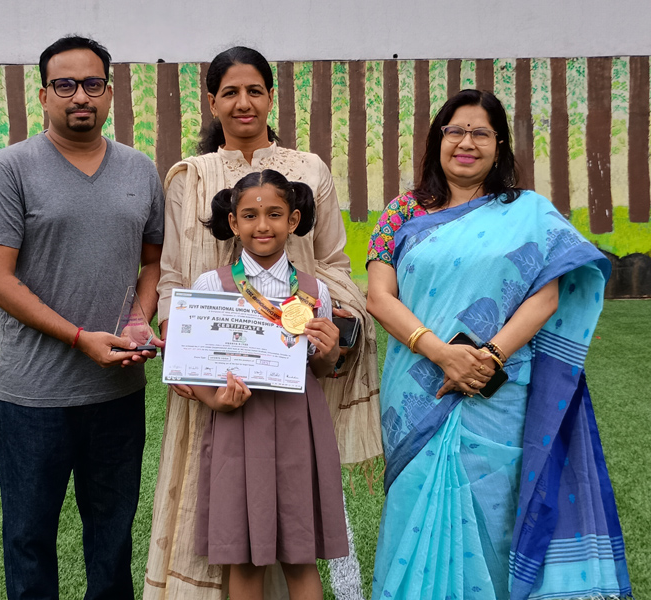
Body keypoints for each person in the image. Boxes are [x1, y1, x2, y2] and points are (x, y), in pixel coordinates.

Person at [366, 89, 632, 600]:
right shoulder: (402, 212)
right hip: (420, 389)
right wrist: (441, 352)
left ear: (500, 144)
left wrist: (489, 357)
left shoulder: (528, 211)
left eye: (480, 133)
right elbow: (379, 296)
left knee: (493, 517)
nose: (466, 143)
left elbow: (547, 294)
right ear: (438, 139)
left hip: (496, 391)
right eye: (455, 131)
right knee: (411, 507)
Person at [145, 46, 379, 599]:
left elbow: (335, 266)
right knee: (234, 536)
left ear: (271, 96)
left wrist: (332, 336)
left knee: (298, 545)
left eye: (254, 90)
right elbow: (173, 275)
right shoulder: (189, 177)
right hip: (220, 392)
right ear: (212, 102)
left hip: (296, 394)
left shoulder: (309, 169)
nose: (243, 102)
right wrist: (187, 356)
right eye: (230, 92)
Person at [0, 35, 164, 599]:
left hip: (117, 394)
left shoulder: (139, 169)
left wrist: (139, 319)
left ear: (109, 92)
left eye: (93, 84)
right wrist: (79, 338)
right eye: (66, 84)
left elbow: (153, 262)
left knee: (112, 541)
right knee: (29, 541)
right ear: (44, 95)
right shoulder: (11, 168)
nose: (81, 96)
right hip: (32, 399)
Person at [191, 169, 349, 600]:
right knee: (244, 556)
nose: (263, 226)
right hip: (238, 424)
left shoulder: (316, 291)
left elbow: (320, 368)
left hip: (300, 426)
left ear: (293, 221)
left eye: (275, 214)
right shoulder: (212, 285)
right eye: (250, 216)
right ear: (233, 223)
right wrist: (217, 402)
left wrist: (330, 352)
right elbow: (193, 367)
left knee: (300, 555)